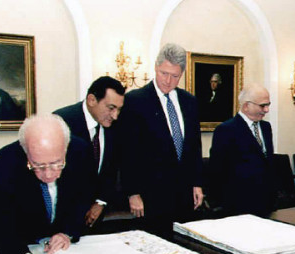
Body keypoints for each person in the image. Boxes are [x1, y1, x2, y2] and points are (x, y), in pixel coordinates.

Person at [0, 114, 94, 254]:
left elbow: (82, 198)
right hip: (19, 245)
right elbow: (0, 226)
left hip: (61, 251)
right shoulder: (3, 165)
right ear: (25, 150)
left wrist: (67, 232)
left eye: (57, 164)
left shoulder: (80, 151)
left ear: (66, 147)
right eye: (38, 166)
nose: (48, 174)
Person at [118, 43, 203, 237]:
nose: (168, 81)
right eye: (164, 73)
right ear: (156, 67)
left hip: (184, 194)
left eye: (175, 76)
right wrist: (133, 192)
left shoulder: (189, 101)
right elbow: (127, 151)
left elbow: (194, 146)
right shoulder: (135, 101)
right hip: (151, 194)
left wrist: (197, 183)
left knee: (186, 248)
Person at [53, 76, 125, 228]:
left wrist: (100, 201)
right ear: (92, 100)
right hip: (63, 216)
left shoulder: (115, 126)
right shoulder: (61, 121)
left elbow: (110, 169)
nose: (115, 115)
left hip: (94, 216)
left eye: (119, 109)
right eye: (111, 108)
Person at [209, 83, 276, 217]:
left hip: (266, 203)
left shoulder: (266, 127)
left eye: (268, 104)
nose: (267, 110)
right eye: (263, 105)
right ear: (246, 106)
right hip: (238, 205)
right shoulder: (226, 130)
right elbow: (217, 170)